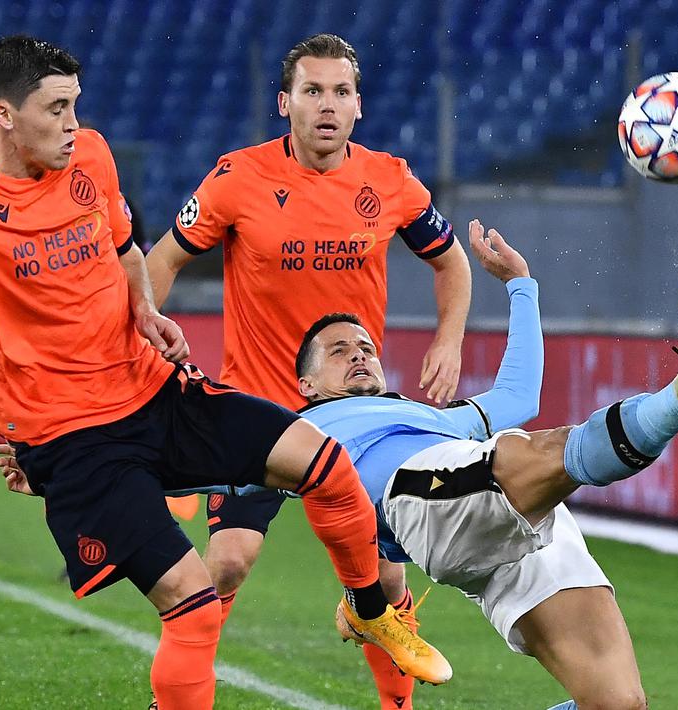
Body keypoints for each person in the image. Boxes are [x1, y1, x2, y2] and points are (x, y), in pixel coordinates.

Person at [0, 35, 449, 709]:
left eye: (75, 105)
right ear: (5, 116)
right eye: (57, 109)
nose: (73, 124)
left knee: (327, 465)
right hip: (75, 438)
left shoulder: (91, 156)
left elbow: (124, 250)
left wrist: (146, 310)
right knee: (196, 607)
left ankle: (369, 610)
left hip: (156, 392)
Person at [290, 224, 678, 709]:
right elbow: (237, 472)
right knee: (531, 452)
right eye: (339, 351)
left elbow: (519, 396)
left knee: (618, 704)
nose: (359, 355)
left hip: (508, 532)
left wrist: (520, 284)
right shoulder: (297, 431)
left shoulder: (433, 418)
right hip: (424, 493)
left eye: (366, 348)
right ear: (307, 385)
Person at [145, 33, 473, 707]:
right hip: (257, 411)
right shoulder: (237, 178)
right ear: (284, 103)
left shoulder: (389, 180)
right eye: (312, 91)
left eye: (341, 92)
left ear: (358, 105)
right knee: (227, 563)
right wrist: (146, 338)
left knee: (382, 583)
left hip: (352, 418)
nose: (327, 105)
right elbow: (164, 258)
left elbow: (451, 261)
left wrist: (449, 340)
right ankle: (174, 698)